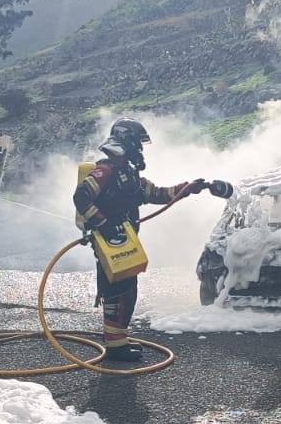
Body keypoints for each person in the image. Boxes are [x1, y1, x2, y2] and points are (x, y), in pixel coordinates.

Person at [73, 118, 232, 362]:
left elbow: (158, 194)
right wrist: (105, 225)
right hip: (109, 240)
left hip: (123, 239)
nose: (140, 149)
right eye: (138, 143)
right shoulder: (105, 171)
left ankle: (118, 339)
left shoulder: (129, 173)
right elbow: (82, 197)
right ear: (127, 142)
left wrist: (188, 188)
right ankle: (115, 346)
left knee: (126, 290)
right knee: (117, 290)